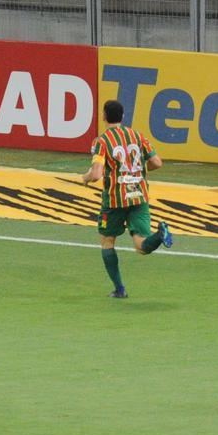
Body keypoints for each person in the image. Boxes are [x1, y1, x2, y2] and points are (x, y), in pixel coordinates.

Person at [80, 99, 173, 299]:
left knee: (107, 242)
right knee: (141, 246)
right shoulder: (137, 136)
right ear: (122, 116)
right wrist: (137, 171)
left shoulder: (102, 141)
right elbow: (157, 162)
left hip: (114, 200)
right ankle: (160, 234)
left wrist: (85, 178)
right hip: (139, 196)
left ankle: (120, 289)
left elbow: (96, 174)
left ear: (104, 116)